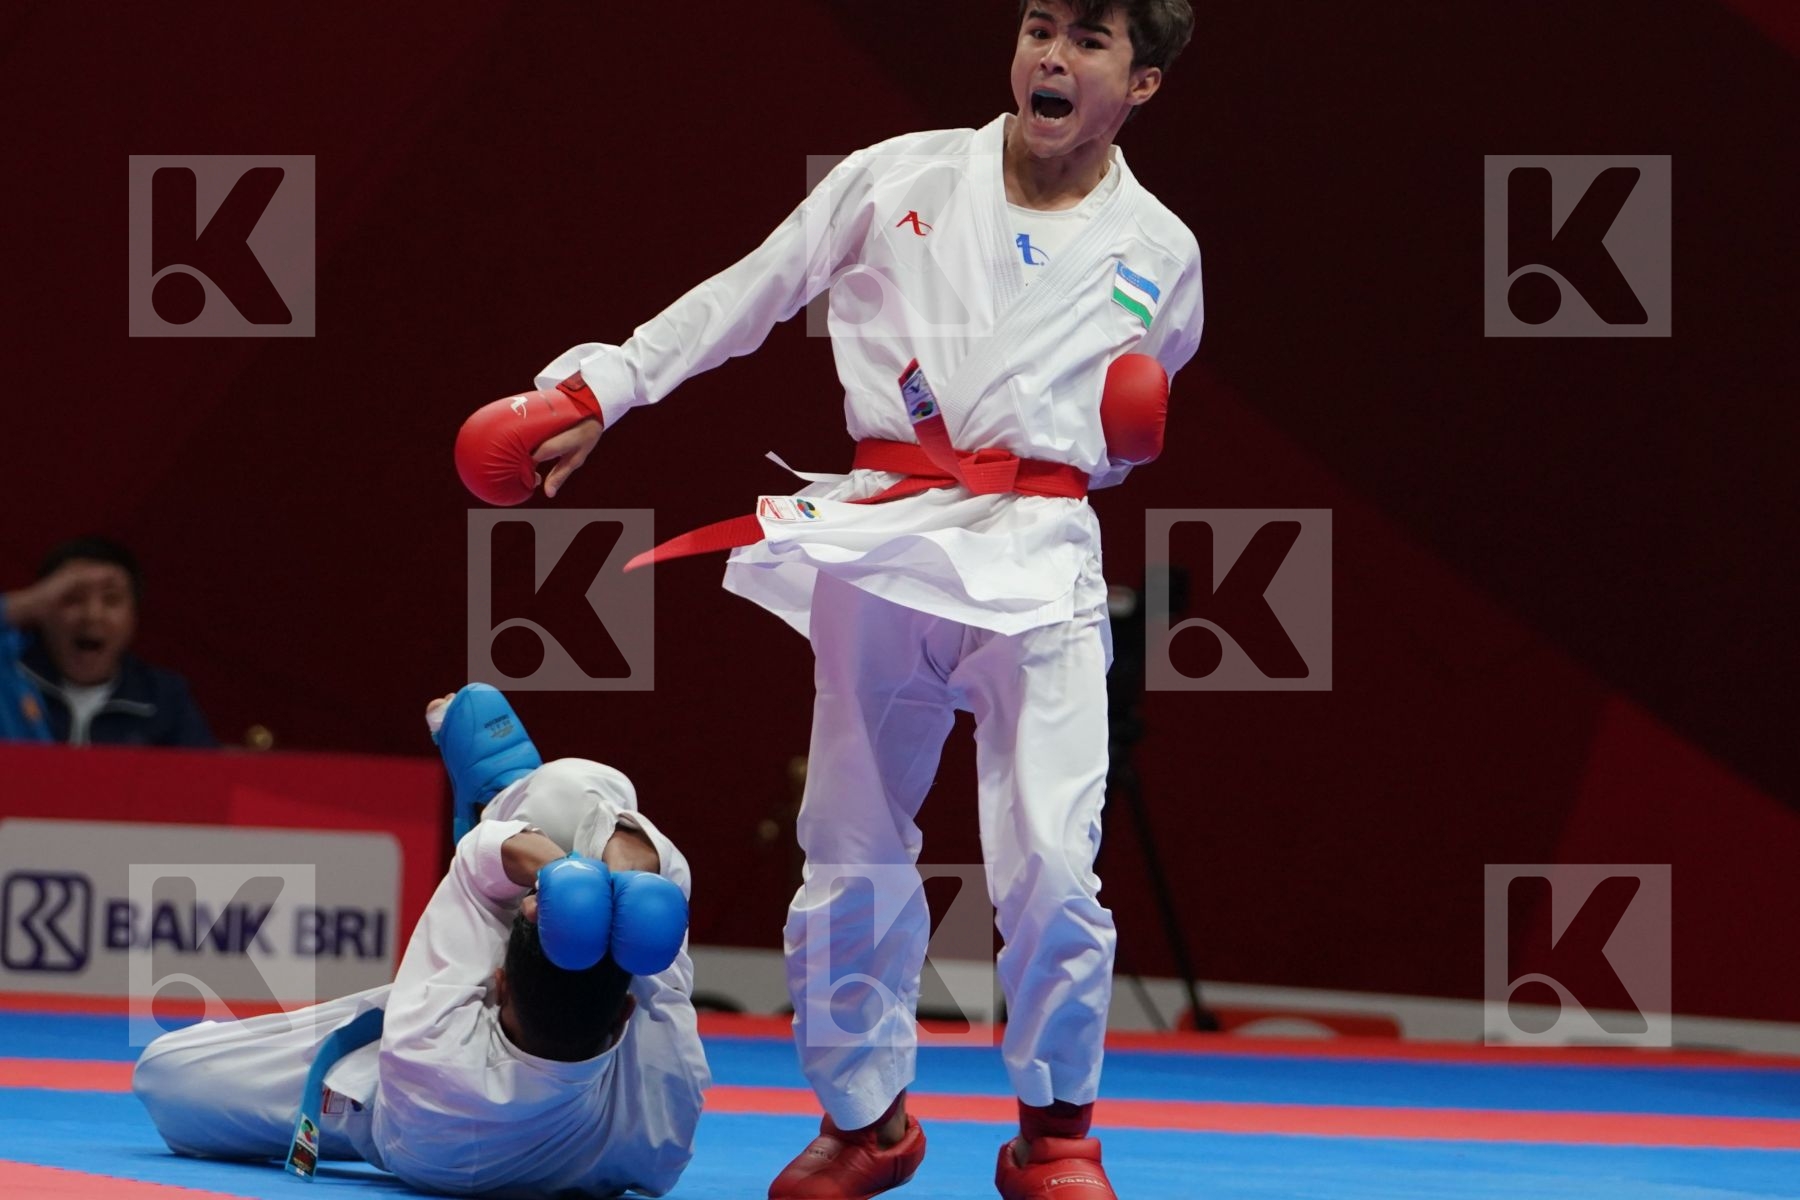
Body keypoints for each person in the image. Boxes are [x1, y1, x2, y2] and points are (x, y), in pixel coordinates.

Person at [455, 3, 1199, 1196]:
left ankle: (1056, 1134)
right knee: (848, 850)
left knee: (1053, 866)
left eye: (1089, 41)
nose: (1050, 57)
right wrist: (598, 391)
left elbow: (1118, 436)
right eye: (1038, 26)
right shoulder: (893, 177)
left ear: (1142, 84)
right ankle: (871, 1124)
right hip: (884, 536)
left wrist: (1123, 446)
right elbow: (744, 295)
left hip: (1040, 550)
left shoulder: (1162, 248)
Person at [133, 684, 710, 1198]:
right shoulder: (656, 1130)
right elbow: (656, 921)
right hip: (551, 1133)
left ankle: (504, 799)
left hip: (400, 1112)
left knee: (168, 1074)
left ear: (494, 985)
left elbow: (478, 859)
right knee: (581, 805)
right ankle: (539, 821)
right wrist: (632, 872)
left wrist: (575, 878)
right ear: (625, 1013)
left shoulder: (433, 1041)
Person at [0, 536, 214, 747]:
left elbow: (204, 775)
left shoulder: (163, 698)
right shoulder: (10, 677)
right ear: (41, 611)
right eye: (73, 598)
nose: (92, 615)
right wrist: (26, 603)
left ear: (134, 618)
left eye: (111, 599)